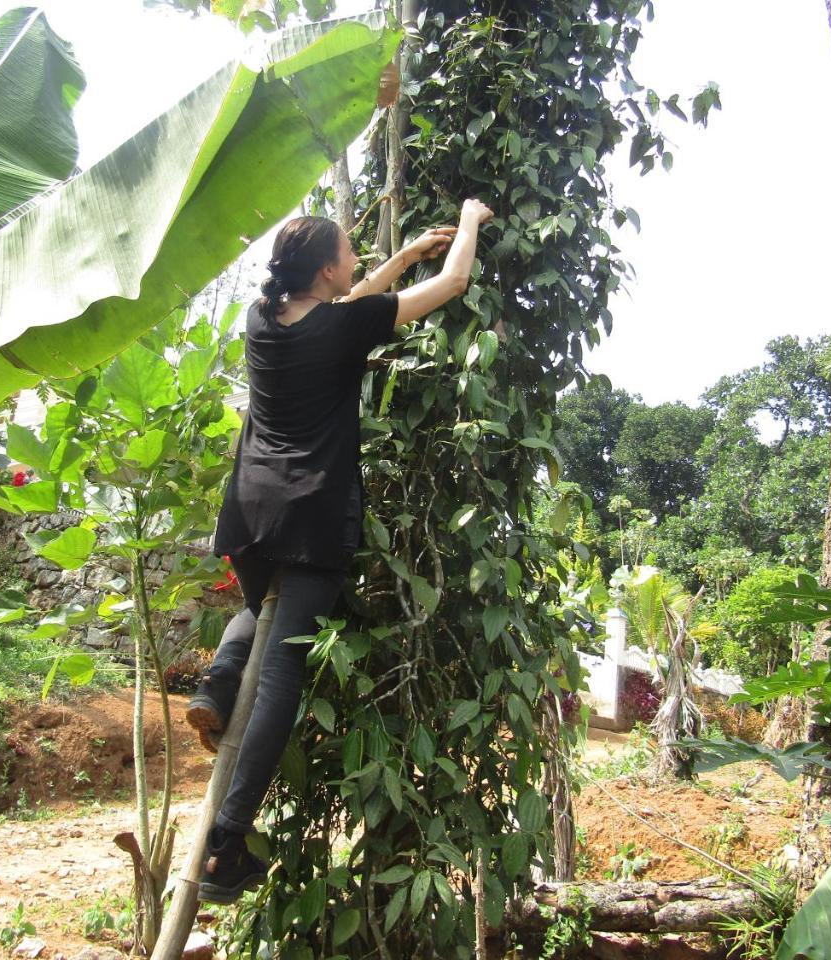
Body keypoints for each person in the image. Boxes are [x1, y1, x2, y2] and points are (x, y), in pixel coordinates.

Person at [187, 198, 495, 903]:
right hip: (314, 512)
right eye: (351, 251)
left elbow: (349, 298)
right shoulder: (345, 324)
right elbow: (451, 287)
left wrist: (405, 253)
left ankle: (215, 680)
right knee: (285, 671)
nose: (357, 259)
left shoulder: (262, 320)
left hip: (250, 505)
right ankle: (226, 842)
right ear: (326, 271)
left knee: (252, 608)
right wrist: (469, 222)